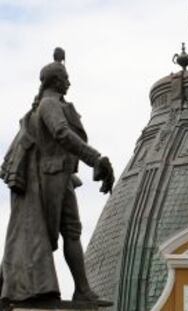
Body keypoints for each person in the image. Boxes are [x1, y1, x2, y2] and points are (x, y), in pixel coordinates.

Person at [0, 48, 114, 305]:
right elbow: (61, 134)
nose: (69, 82)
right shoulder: (49, 105)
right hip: (50, 178)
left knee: (71, 230)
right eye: (65, 78)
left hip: (62, 178)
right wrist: (95, 158)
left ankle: (82, 290)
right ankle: (53, 290)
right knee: (48, 233)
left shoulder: (53, 104)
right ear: (55, 81)